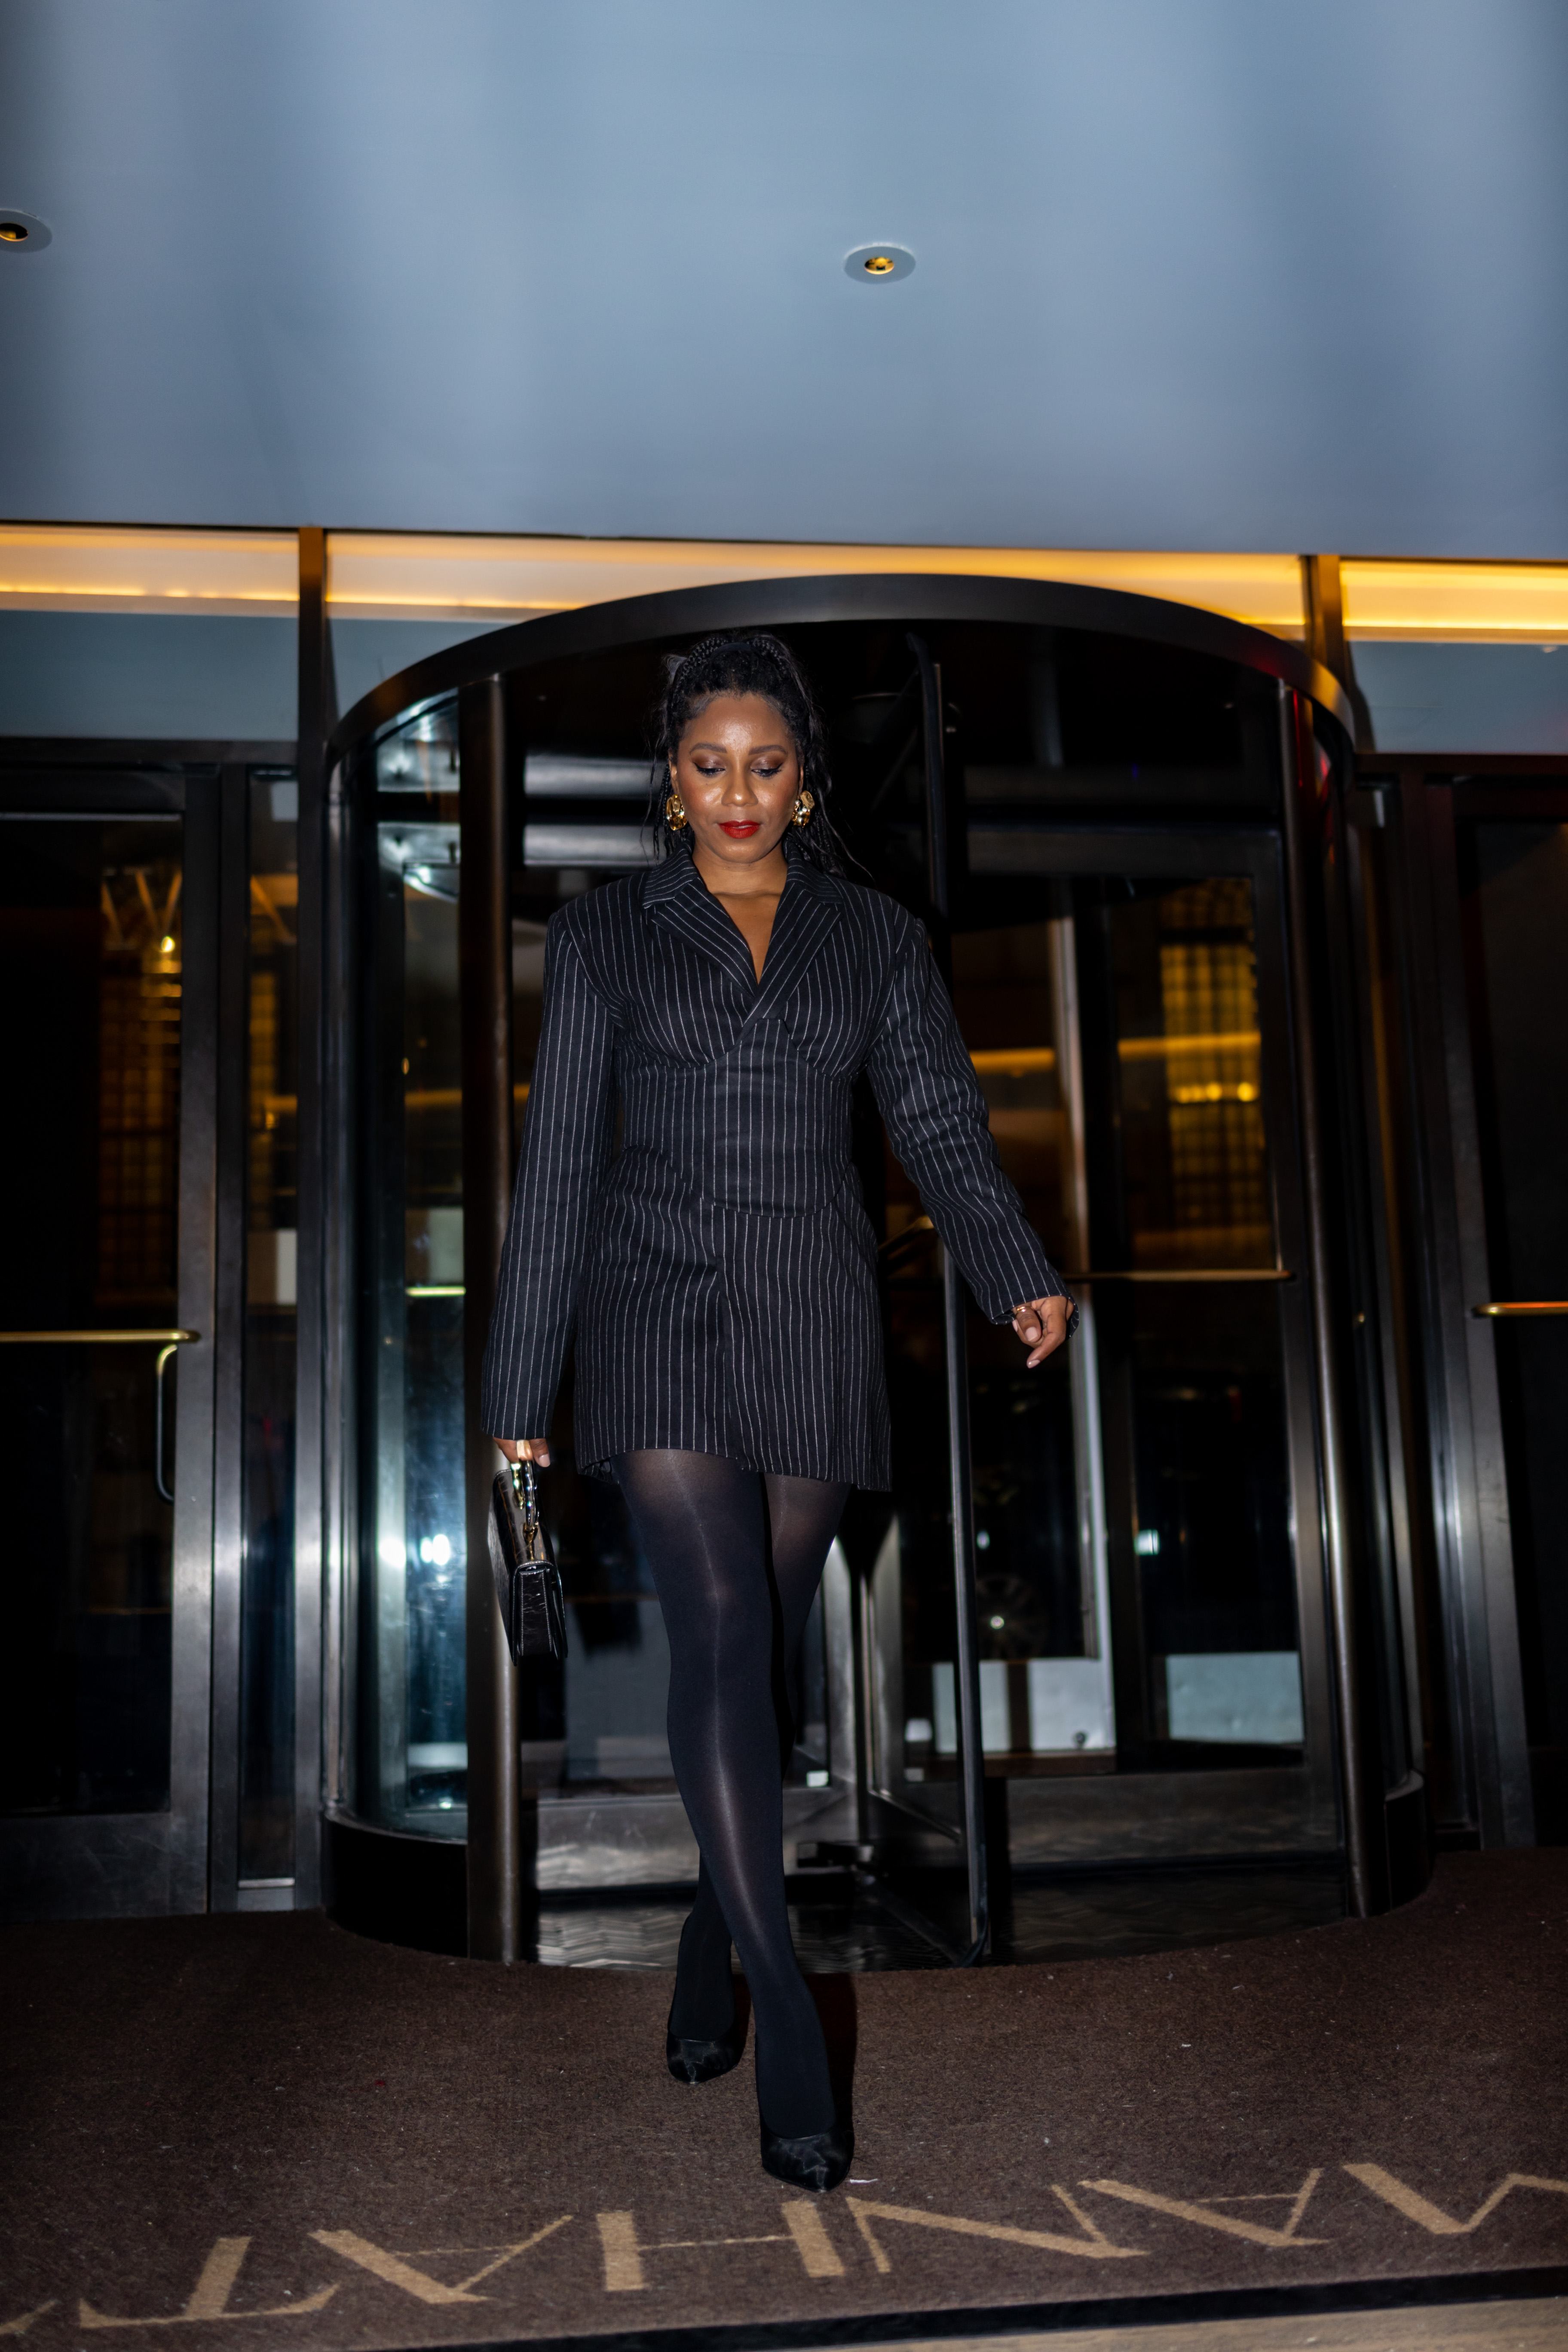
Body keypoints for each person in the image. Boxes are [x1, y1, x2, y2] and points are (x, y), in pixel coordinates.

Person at [481, 632, 1073, 2193]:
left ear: (804, 778)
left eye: (766, 764)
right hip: (656, 1310)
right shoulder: (604, 934)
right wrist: (520, 1389)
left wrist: (1014, 1266)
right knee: (725, 1631)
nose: (737, 792)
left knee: (762, 1669)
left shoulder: (874, 935)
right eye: (708, 765)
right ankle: (788, 2012)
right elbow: (558, 1172)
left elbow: (936, 1116)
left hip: (813, 1311)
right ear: (672, 780)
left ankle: (708, 1941)